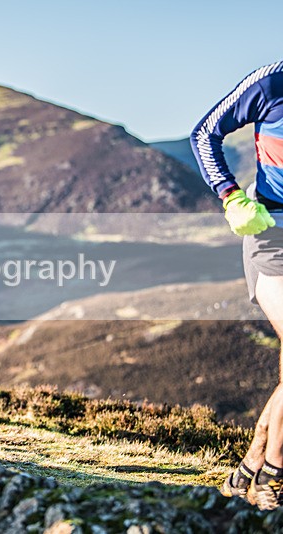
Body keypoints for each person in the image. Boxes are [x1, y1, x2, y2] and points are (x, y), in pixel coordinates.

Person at [191, 60, 283, 510]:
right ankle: (273, 477)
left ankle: (248, 468)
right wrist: (230, 195)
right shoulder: (272, 82)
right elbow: (204, 133)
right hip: (270, 235)